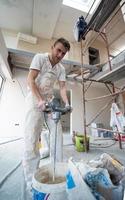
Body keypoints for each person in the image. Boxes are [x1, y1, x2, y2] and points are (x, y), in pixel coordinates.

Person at [22, 38, 70, 191]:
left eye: (63, 53)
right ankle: (31, 183)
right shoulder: (40, 58)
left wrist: (67, 103)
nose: (60, 54)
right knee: (32, 138)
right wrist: (40, 100)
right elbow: (30, 80)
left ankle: (57, 172)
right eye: (58, 50)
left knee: (57, 135)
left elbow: (62, 88)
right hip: (34, 99)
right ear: (52, 47)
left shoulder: (61, 68)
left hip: (49, 102)